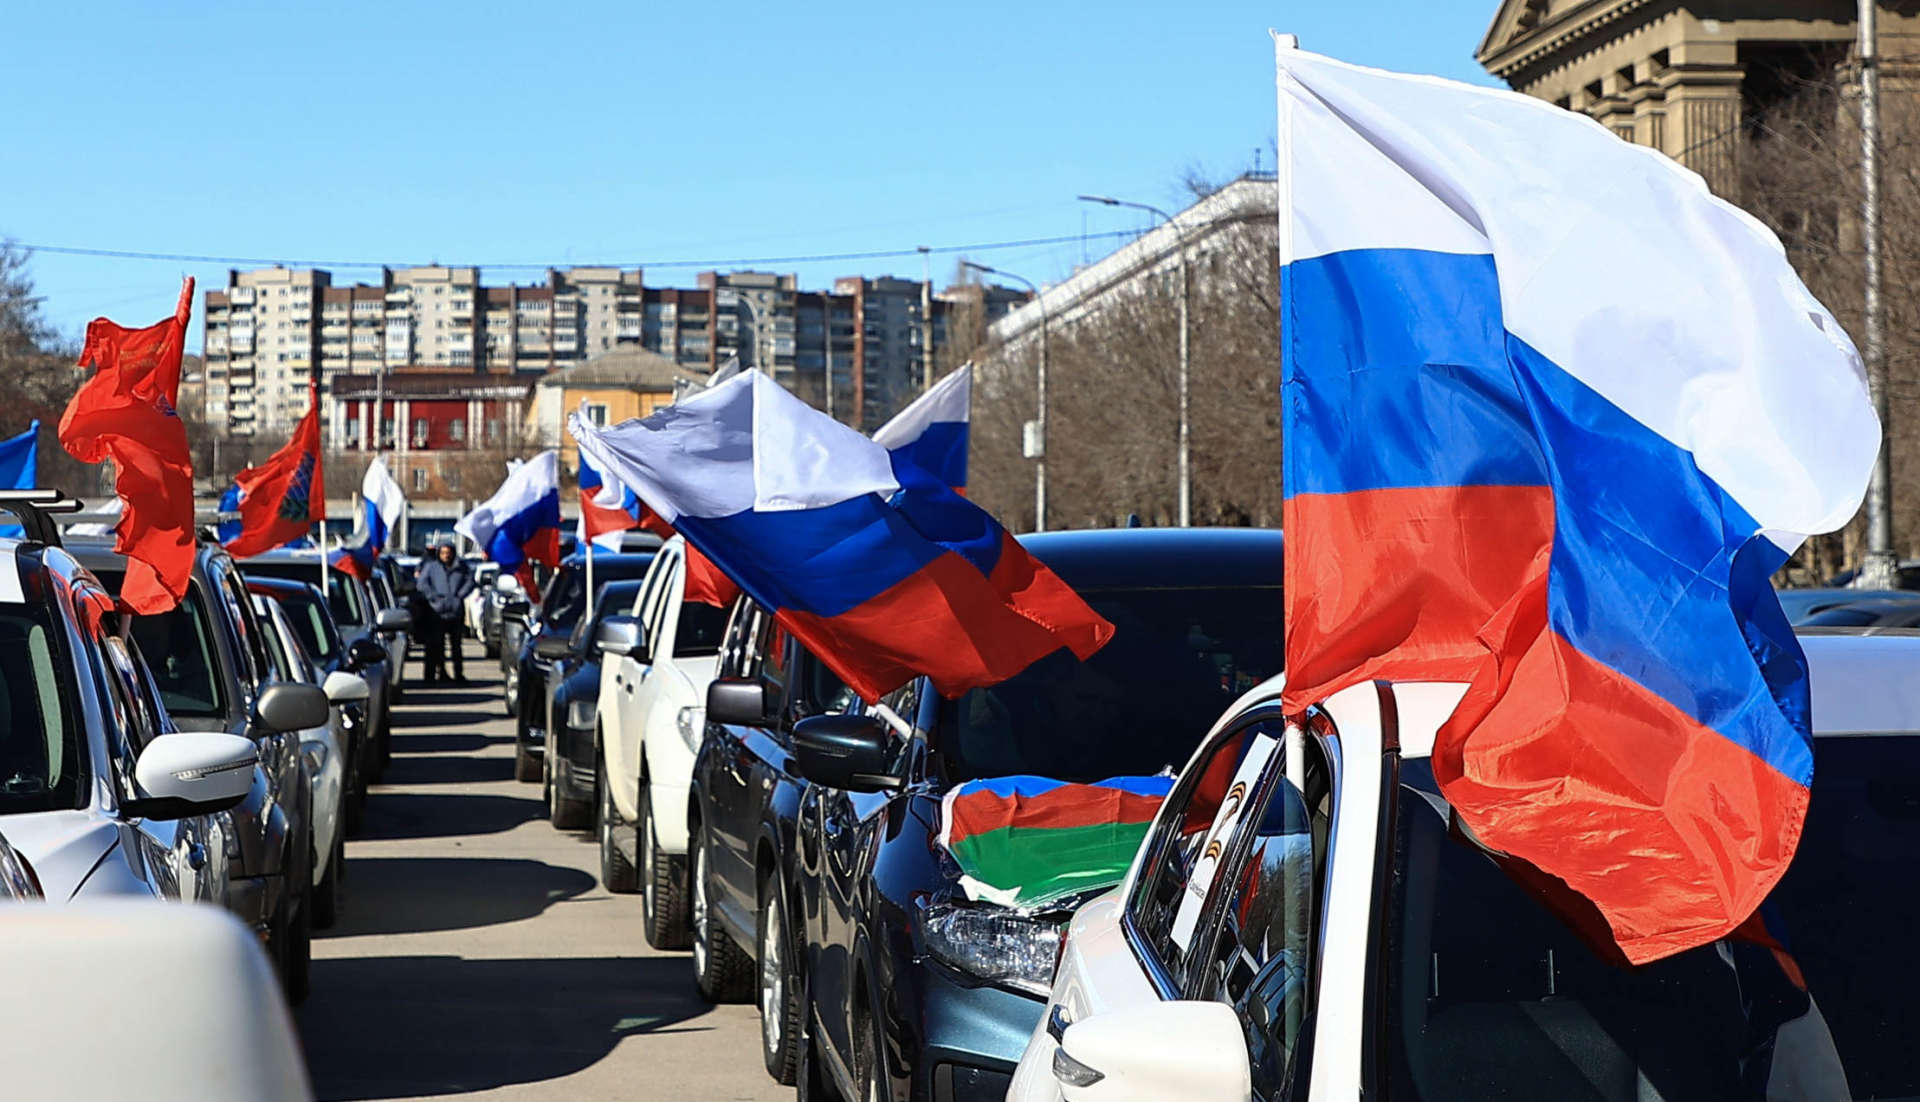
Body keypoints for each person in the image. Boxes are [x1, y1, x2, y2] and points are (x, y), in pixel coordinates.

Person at [416, 540, 475, 682]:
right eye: (443, 553)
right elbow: (422, 584)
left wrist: (459, 596)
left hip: (455, 612)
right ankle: (435, 674)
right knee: (435, 645)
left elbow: (470, 582)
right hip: (436, 612)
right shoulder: (431, 567)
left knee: (456, 646)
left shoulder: (462, 567)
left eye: (448, 553)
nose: (446, 556)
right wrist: (433, 597)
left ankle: (458, 674)